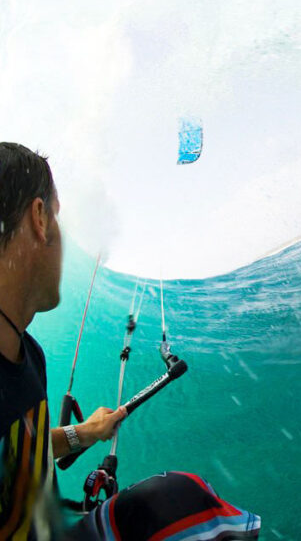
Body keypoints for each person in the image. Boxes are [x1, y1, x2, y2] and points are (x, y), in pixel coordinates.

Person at [0, 143, 260, 539]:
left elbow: (22, 451)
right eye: (56, 215)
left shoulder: (26, 351)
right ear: (39, 218)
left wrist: (84, 433)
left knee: (171, 502)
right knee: (183, 505)